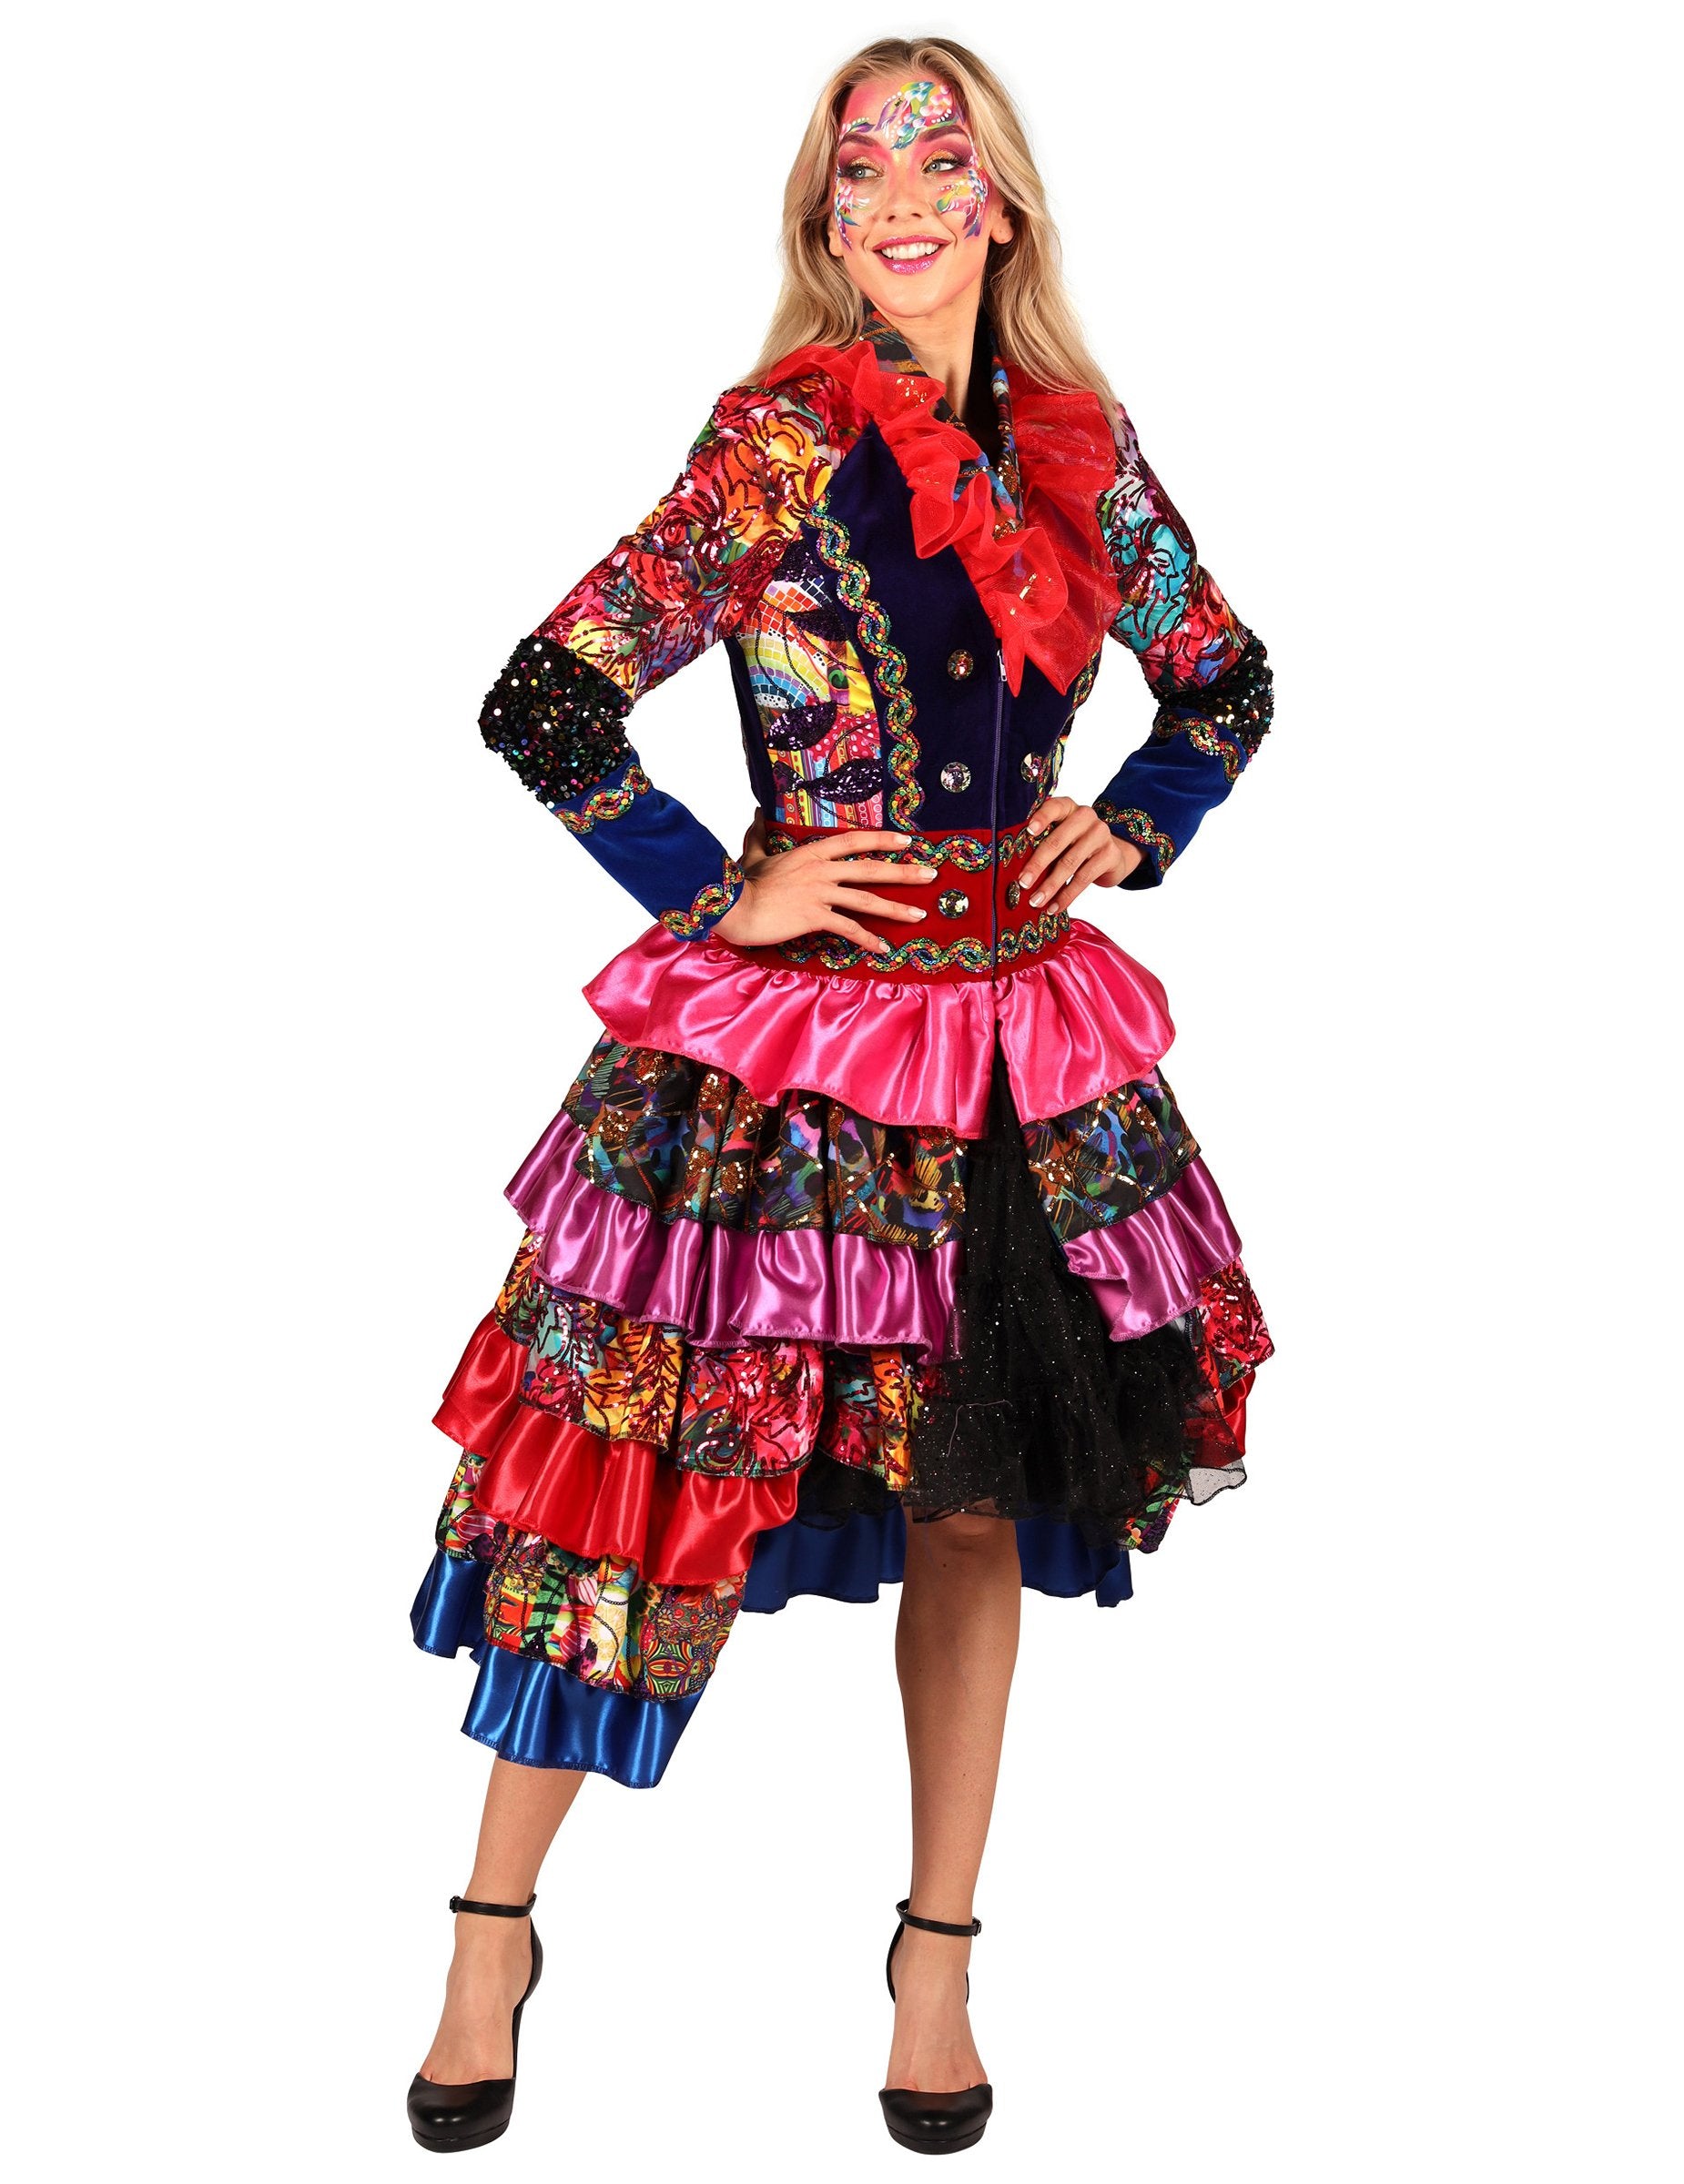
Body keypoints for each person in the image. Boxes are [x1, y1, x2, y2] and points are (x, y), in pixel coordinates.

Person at [405, 34, 1275, 2158]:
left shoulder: (1083, 453)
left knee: (976, 1500)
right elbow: (545, 694)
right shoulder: (776, 445)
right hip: (792, 1073)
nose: (896, 195)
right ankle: (489, 1934)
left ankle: (934, 1966)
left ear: (1002, 202)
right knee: (634, 1496)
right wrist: (722, 887)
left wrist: (1138, 820)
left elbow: (1227, 677)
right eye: (855, 165)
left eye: (935, 157)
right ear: (821, 217)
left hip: (1016, 1059)